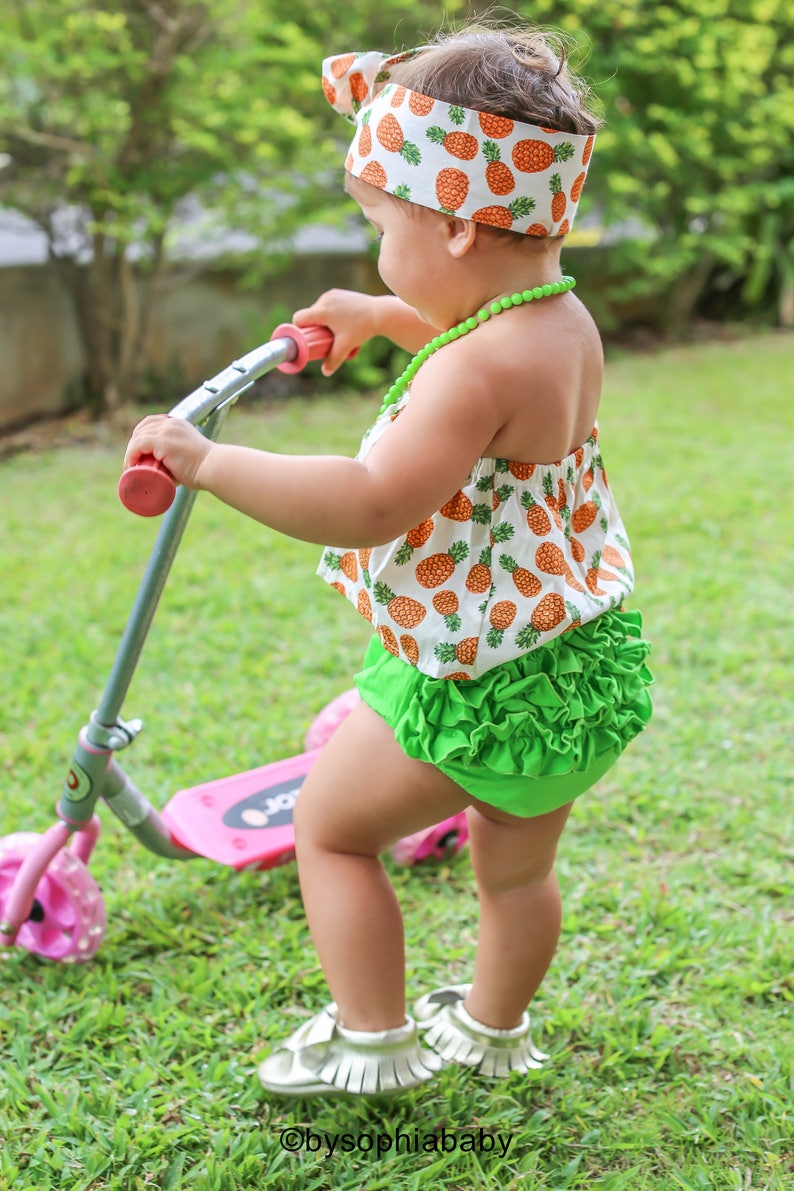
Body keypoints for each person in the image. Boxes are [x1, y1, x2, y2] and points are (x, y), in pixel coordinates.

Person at [123, 22, 652, 1097]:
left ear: (454, 228)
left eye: (379, 226)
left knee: (329, 830)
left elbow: (368, 504)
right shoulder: (558, 323)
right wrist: (383, 317)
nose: (376, 249)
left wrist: (209, 460)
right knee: (515, 874)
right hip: (568, 673)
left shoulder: (469, 373)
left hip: (474, 683)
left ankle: (370, 1045)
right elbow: (482, 353)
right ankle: (492, 1029)